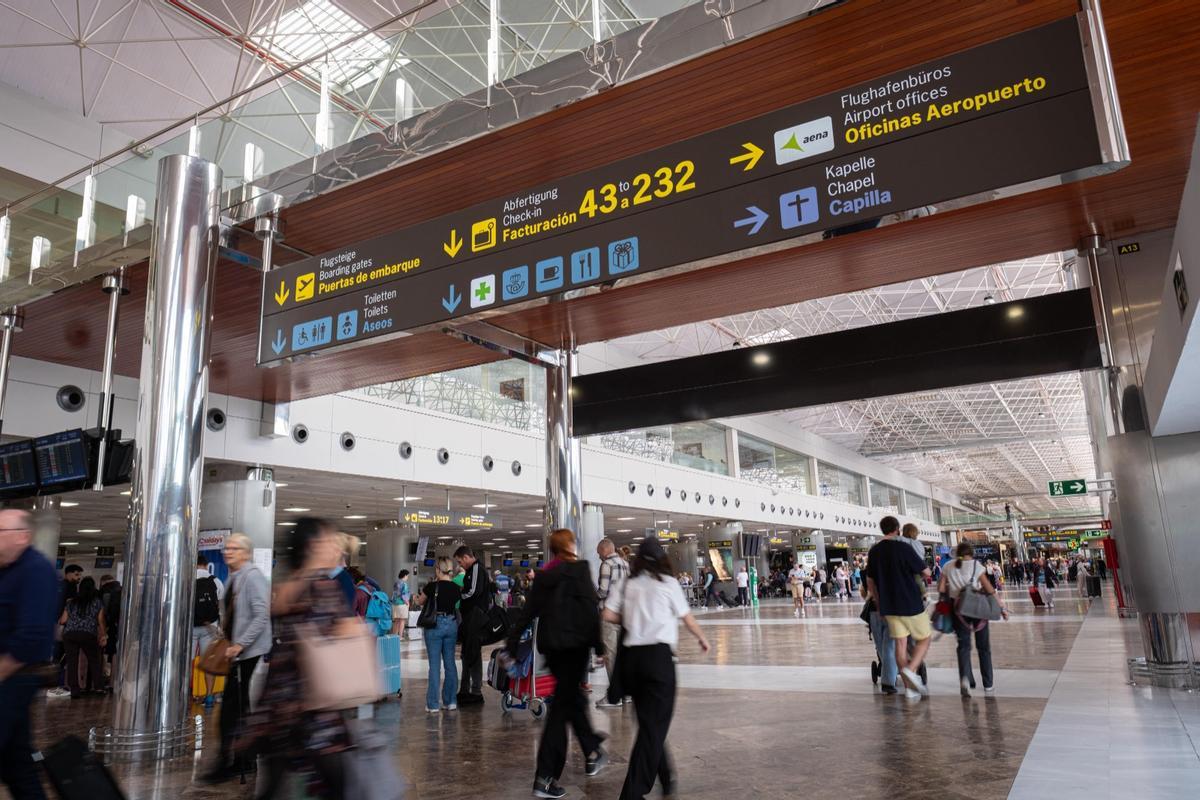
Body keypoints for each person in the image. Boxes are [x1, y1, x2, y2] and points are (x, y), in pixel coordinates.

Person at [238, 517, 350, 797]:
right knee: (337, 784)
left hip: (280, 700)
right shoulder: (323, 587)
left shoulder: (288, 585)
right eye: (329, 541)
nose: (336, 548)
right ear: (313, 546)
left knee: (274, 784)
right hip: (313, 702)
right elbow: (340, 633)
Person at [603, 537, 710, 800]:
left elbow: (606, 614)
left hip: (633, 662)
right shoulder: (669, 583)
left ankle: (665, 775)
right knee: (654, 726)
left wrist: (631, 616)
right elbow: (686, 617)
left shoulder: (627, 583)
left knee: (650, 724)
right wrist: (701, 638)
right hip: (659, 661)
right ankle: (632, 793)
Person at [506, 530, 606, 799]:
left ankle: (592, 749)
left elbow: (528, 613)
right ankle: (545, 777)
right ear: (571, 546)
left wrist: (512, 643)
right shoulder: (580, 570)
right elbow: (590, 609)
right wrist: (599, 646)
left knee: (571, 701)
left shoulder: (544, 577)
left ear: (552, 550)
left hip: (554, 652)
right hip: (576, 651)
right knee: (560, 712)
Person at [202, 533, 271, 783]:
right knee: (236, 709)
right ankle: (241, 758)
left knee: (233, 709)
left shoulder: (253, 578)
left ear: (246, 552)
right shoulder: (235, 577)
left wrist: (241, 644)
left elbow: (262, 615)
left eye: (233, 548)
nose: (227, 552)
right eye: (226, 548)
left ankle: (232, 761)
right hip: (236, 651)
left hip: (246, 653)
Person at [0, 509, 57, 799]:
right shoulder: (6, 570)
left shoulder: (36, 570)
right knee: (17, 763)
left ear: (22, 536)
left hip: (15, 676)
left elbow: (31, 633)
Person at [866, 516, 932, 701]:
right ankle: (911, 672)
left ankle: (910, 687)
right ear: (897, 529)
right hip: (910, 603)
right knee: (924, 639)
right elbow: (925, 571)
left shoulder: (875, 551)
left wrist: (879, 603)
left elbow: (870, 581)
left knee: (900, 646)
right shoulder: (905, 547)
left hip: (889, 606)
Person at [938, 543, 1008, 697]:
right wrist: (1002, 608)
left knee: (963, 646)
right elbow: (989, 589)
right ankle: (988, 684)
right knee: (983, 648)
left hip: (958, 611)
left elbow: (941, 589)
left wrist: (954, 588)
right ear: (971, 552)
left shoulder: (948, 566)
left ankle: (965, 679)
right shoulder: (977, 565)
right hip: (978, 609)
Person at [413, 557, 461, 713]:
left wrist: (415, 597)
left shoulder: (432, 586)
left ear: (438, 570)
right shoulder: (456, 587)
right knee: (450, 664)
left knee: (434, 666)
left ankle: (433, 704)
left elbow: (420, 602)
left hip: (435, 625)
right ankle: (451, 701)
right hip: (452, 624)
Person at [595, 537, 629, 710]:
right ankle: (627, 692)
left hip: (608, 615)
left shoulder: (607, 565)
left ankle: (615, 695)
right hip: (623, 614)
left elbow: (603, 591)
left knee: (610, 654)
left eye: (599, 552)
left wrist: (591, 596)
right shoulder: (625, 563)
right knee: (622, 653)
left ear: (605, 549)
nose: (598, 556)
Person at [59, 575, 106, 698]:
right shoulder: (97, 603)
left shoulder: (71, 602)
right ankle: (99, 688)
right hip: (88, 634)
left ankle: (74, 690)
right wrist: (103, 636)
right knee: (94, 661)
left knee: (72, 662)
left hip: (70, 634)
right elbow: (100, 621)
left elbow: (63, 620)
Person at [455, 545, 491, 704]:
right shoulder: (472, 570)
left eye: (460, 561)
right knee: (468, 653)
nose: (460, 565)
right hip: (470, 618)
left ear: (466, 557)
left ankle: (475, 691)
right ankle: (466, 690)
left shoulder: (477, 569)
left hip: (475, 618)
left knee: (473, 653)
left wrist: (459, 594)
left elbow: (473, 591)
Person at [46, 563, 84, 699]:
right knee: (63, 655)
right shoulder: (71, 588)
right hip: (64, 625)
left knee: (57, 654)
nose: (78, 577)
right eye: (76, 574)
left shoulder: (59, 586)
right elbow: (69, 607)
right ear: (68, 574)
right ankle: (58, 684)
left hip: (56, 623)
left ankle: (54, 683)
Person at [193, 554, 225, 709]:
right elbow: (220, 607)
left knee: (187, 663)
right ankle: (210, 696)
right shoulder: (216, 581)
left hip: (190, 628)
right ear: (206, 565)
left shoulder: (188, 579)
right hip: (209, 628)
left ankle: (185, 695)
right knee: (208, 663)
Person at [98, 573, 121, 683]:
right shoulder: (122, 589)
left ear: (103, 582)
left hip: (110, 625)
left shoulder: (106, 591)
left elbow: (104, 610)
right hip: (120, 626)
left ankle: (107, 678)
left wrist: (104, 626)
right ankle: (114, 680)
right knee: (116, 652)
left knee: (108, 651)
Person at [392, 569, 412, 637]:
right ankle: (400, 636)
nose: (407, 577)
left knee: (396, 621)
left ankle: (394, 636)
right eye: (407, 576)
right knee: (402, 621)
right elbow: (404, 595)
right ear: (405, 575)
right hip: (402, 604)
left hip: (395, 604)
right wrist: (408, 603)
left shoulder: (396, 582)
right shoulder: (404, 584)